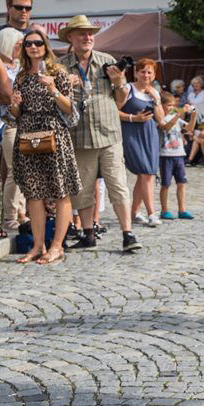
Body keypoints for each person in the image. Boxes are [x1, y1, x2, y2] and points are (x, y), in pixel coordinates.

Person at [58, 16, 141, 254]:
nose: (88, 37)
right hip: (79, 135)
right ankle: (88, 233)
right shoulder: (61, 66)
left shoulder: (107, 61)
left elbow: (121, 100)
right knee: (83, 188)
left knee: (118, 185)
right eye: (82, 33)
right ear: (71, 37)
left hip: (108, 134)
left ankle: (127, 234)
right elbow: (54, 98)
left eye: (90, 33)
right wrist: (64, 85)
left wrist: (119, 82)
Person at [8, 28, 79, 265]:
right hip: (28, 135)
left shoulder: (58, 73)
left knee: (60, 190)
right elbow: (16, 114)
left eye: (38, 43)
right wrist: (14, 105)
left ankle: (57, 246)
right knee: (33, 193)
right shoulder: (21, 77)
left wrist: (54, 90)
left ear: (45, 46)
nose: (33, 47)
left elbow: (70, 108)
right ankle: (38, 246)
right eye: (29, 44)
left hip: (54, 134)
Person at [119, 58, 165, 227]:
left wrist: (157, 99)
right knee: (146, 173)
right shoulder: (128, 89)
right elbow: (114, 110)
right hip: (131, 133)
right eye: (143, 71)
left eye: (149, 72)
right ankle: (152, 213)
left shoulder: (154, 92)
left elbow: (161, 119)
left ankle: (135, 212)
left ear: (154, 75)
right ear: (136, 73)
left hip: (150, 134)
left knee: (146, 174)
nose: (146, 75)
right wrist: (133, 118)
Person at [0, 24, 27, 238]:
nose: (22, 48)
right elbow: (7, 96)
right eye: (19, 44)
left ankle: (21, 212)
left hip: (20, 121)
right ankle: (9, 216)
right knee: (14, 169)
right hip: (6, 122)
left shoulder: (19, 65)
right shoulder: (1, 64)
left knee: (22, 168)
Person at [157, 92, 196, 220]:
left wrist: (193, 115)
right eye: (169, 105)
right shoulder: (161, 118)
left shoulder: (176, 118)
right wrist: (179, 113)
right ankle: (164, 210)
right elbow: (166, 128)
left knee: (181, 183)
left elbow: (189, 129)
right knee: (165, 185)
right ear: (161, 106)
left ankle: (182, 210)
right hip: (165, 155)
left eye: (173, 105)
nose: (172, 108)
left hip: (179, 154)